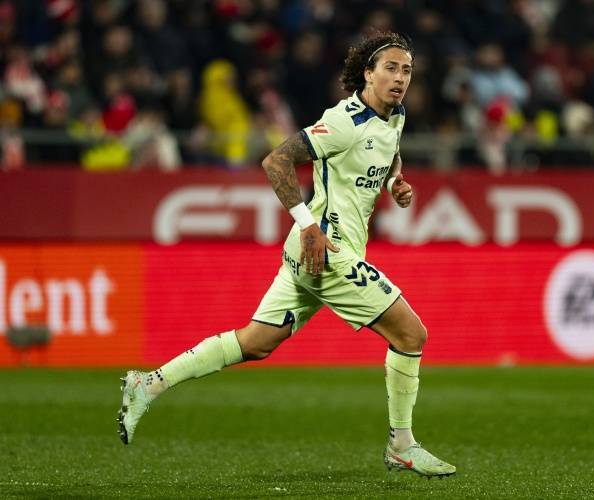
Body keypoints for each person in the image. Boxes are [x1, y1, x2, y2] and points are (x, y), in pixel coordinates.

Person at [117, 31, 456, 479]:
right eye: (390, 68)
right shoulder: (343, 121)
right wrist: (308, 224)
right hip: (326, 249)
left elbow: (389, 153)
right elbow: (275, 161)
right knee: (412, 335)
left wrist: (395, 182)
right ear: (368, 74)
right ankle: (402, 445)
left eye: (406, 70)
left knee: (257, 341)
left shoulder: (396, 116)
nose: (399, 78)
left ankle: (148, 384)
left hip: (316, 249)